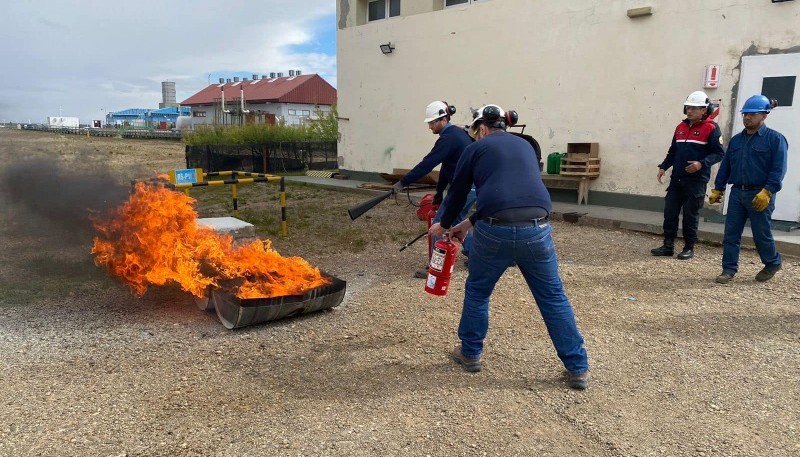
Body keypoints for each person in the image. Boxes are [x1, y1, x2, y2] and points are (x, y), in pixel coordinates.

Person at [429, 104, 590, 390]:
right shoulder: (526, 146)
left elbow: (458, 191)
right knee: (553, 298)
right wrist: (469, 222)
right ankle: (577, 367)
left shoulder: (475, 148)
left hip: (495, 232)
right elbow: (513, 192)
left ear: (482, 128)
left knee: (478, 291)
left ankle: (470, 353)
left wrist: (442, 223)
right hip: (537, 229)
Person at [392, 101, 477, 278]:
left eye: (432, 122)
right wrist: (438, 194)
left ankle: (436, 268)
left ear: (444, 119)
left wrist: (403, 182)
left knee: (440, 223)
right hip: (471, 187)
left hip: (464, 189)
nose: (430, 127)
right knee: (457, 220)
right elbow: (446, 168)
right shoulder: (457, 135)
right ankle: (476, 256)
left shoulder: (448, 139)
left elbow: (428, 164)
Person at [708, 95, 787, 284]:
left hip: (759, 194)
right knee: (731, 234)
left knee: (761, 233)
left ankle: (772, 262)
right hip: (737, 193)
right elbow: (726, 166)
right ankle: (728, 270)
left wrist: (768, 190)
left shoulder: (775, 140)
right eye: (745, 114)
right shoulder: (736, 141)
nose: (747, 118)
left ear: (764, 116)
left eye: (753, 114)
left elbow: (779, 169)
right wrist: (718, 188)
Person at [651, 91, 724, 260]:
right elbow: (673, 151)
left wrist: (701, 163)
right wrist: (664, 166)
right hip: (677, 179)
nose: (690, 111)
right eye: (688, 107)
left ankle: (689, 247)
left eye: (694, 108)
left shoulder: (711, 128)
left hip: (696, 181)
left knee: (690, 216)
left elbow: (719, 153)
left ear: (704, 110)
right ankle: (668, 245)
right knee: (670, 213)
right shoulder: (680, 127)